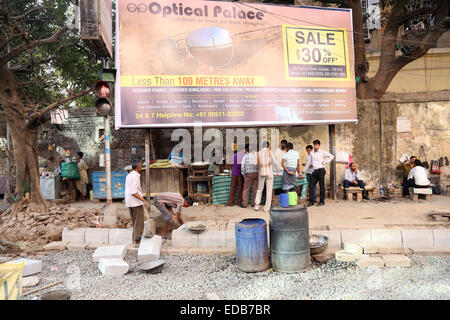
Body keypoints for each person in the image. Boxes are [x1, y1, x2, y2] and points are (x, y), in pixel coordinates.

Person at [125, 160, 148, 247]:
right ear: (138, 167)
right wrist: (143, 200)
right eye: (141, 165)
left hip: (130, 202)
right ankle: (136, 241)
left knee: (135, 222)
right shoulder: (135, 176)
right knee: (139, 222)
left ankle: (134, 240)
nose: (142, 166)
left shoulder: (130, 175)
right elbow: (134, 192)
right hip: (135, 202)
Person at [306, 140, 334, 206]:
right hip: (314, 171)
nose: (315, 146)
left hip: (321, 170)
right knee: (311, 186)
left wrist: (325, 162)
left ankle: (322, 201)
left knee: (321, 186)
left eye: (316, 145)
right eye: (314, 145)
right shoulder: (311, 153)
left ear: (319, 145)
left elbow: (331, 156)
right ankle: (311, 201)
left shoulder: (322, 152)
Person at [254, 141, 274, 213]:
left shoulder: (258, 153)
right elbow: (274, 162)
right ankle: (266, 208)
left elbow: (255, 163)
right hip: (269, 173)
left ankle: (257, 205)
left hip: (261, 172)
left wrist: (261, 167)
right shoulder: (270, 152)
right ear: (268, 146)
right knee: (269, 190)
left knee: (260, 189)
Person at [241, 143, 259, 208]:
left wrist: (244, 174)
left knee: (246, 189)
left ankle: (244, 204)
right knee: (255, 189)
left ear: (247, 149)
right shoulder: (257, 155)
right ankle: (253, 203)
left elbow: (242, 166)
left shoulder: (245, 156)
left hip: (248, 174)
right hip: (256, 174)